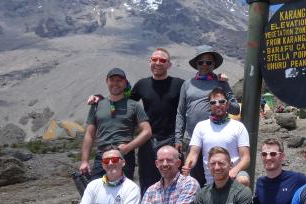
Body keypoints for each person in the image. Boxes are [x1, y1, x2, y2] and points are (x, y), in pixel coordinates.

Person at [88, 48, 185, 194]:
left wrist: (219, 81)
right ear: (150, 62)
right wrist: (100, 98)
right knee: (147, 179)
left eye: (162, 60)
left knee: (175, 177)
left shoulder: (179, 84)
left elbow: (195, 97)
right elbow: (121, 99)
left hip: (172, 139)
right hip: (148, 141)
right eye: (154, 59)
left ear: (169, 64)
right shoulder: (142, 84)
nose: (158, 63)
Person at [175, 46, 240, 187]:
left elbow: (235, 109)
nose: (204, 65)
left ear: (214, 64)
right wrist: (178, 138)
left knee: (215, 176)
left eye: (208, 62)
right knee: (194, 178)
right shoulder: (187, 84)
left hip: (214, 137)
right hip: (191, 138)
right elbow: (180, 112)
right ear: (196, 64)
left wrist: (225, 85)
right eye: (201, 62)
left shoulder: (220, 82)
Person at [81, 68, 152, 181]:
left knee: (123, 192)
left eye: (119, 80)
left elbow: (147, 131)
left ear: (125, 83)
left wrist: (128, 147)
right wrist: (85, 161)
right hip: (102, 156)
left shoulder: (134, 105)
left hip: (124, 156)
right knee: (97, 191)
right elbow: (89, 134)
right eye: (112, 80)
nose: (115, 83)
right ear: (107, 81)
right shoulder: (97, 105)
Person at [183, 88, 250, 187]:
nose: (217, 104)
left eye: (222, 101)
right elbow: (193, 153)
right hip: (211, 180)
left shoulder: (239, 126)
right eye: (213, 102)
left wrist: (233, 171)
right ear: (210, 106)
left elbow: (246, 158)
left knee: (243, 180)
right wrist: (187, 166)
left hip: (234, 178)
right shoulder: (201, 126)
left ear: (227, 105)